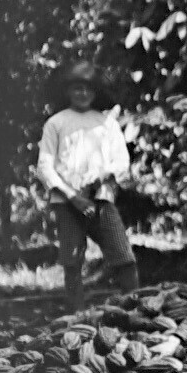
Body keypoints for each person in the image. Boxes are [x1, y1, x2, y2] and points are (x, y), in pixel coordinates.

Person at [36, 63, 138, 312]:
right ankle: (77, 315)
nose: (82, 94)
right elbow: (45, 167)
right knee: (72, 261)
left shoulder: (106, 124)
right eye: (77, 88)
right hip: (67, 200)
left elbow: (121, 161)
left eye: (87, 89)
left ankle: (135, 307)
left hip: (101, 198)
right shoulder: (56, 123)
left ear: (95, 92)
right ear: (68, 91)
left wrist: (103, 176)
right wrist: (73, 197)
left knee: (123, 256)